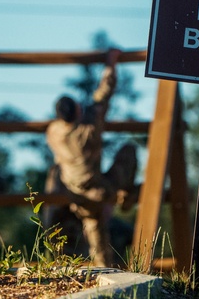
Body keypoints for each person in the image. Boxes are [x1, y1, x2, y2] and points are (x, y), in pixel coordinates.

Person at [45, 49, 138, 267]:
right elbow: (103, 95)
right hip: (100, 188)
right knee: (129, 150)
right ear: (77, 112)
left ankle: (102, 270)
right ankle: (127, 195)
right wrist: (111, 64)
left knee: (96, 229)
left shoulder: (53, 132)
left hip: (74, 192)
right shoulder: (88, 129)